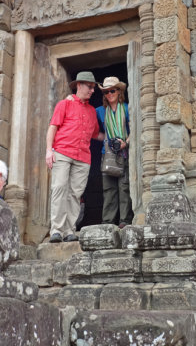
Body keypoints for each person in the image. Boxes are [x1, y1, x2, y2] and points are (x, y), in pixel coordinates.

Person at [46, 71, 100, 243]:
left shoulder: (92, 111)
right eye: (89, 87)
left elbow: (95, 135)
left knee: (75, 194)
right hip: (62, 152)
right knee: (59, 188)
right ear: (79, 85)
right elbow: (52, 127)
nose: (92, 90)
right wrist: (49, 150)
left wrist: (118, 138)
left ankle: (70, 230)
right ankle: (56, 230)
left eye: (93, 87)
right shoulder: (64, 104)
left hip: (83, 157)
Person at [97, 76, 133, 228]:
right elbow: (91, 131)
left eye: (112, 90)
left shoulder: (127, 108)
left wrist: (126, 142)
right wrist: (107, 139)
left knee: (124, 187)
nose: (109, 94)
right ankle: (108, 221)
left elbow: (135, 127)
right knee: (109, 188)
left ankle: (125, 220)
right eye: (106, 92)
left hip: (124, 152)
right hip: (107, 154)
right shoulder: (99, 111)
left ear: (119, 91)